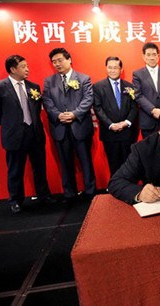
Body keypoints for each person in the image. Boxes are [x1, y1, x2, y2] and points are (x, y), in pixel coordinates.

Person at [0, 55, 55, 213]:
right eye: (23, 66)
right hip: (14, 136)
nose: (27, 69)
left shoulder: (33, 86)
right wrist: (12, 126)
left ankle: (44, 196)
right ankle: (16, 200)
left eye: (27, 65)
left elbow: (36, 110)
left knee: (39, 167)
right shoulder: (0, 88)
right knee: (15, 170)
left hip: (34, 134)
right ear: (13, 69)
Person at [43, 48, 96, 203]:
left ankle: (90, 192)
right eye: (54, 62)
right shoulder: (49, 81)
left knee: (85, 161)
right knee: (65, 162)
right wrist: (58, 115)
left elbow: (88, 99)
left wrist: (74, 114)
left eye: (60, 60)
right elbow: (47, 101)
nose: (57, 64)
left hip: (79, 126)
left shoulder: (83, 78)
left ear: (69, 59)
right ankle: (69, 193)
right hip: (60, 128)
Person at [93, 56, 139, 177]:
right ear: (106, 68)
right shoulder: (98, 87)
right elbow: (98, 108)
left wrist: (126, 122)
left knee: (129, 164)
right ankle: (116, 189)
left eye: (115, 67)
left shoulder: (130, 87)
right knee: (113, 164)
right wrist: (111, 124)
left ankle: (129, 188)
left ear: (121, 69)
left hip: (128, 132)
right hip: (110, 133)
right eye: (110, 67)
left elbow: (134, 107)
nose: (112, 70)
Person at [133, 42, 160, 138]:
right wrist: (153, 110)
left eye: (154, 55)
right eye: (148, 55)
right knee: (150, 150)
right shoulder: (137, 74)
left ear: (158, 56)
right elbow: (138, 95)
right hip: (148, 120)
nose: (151, 58)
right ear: (144, 57)